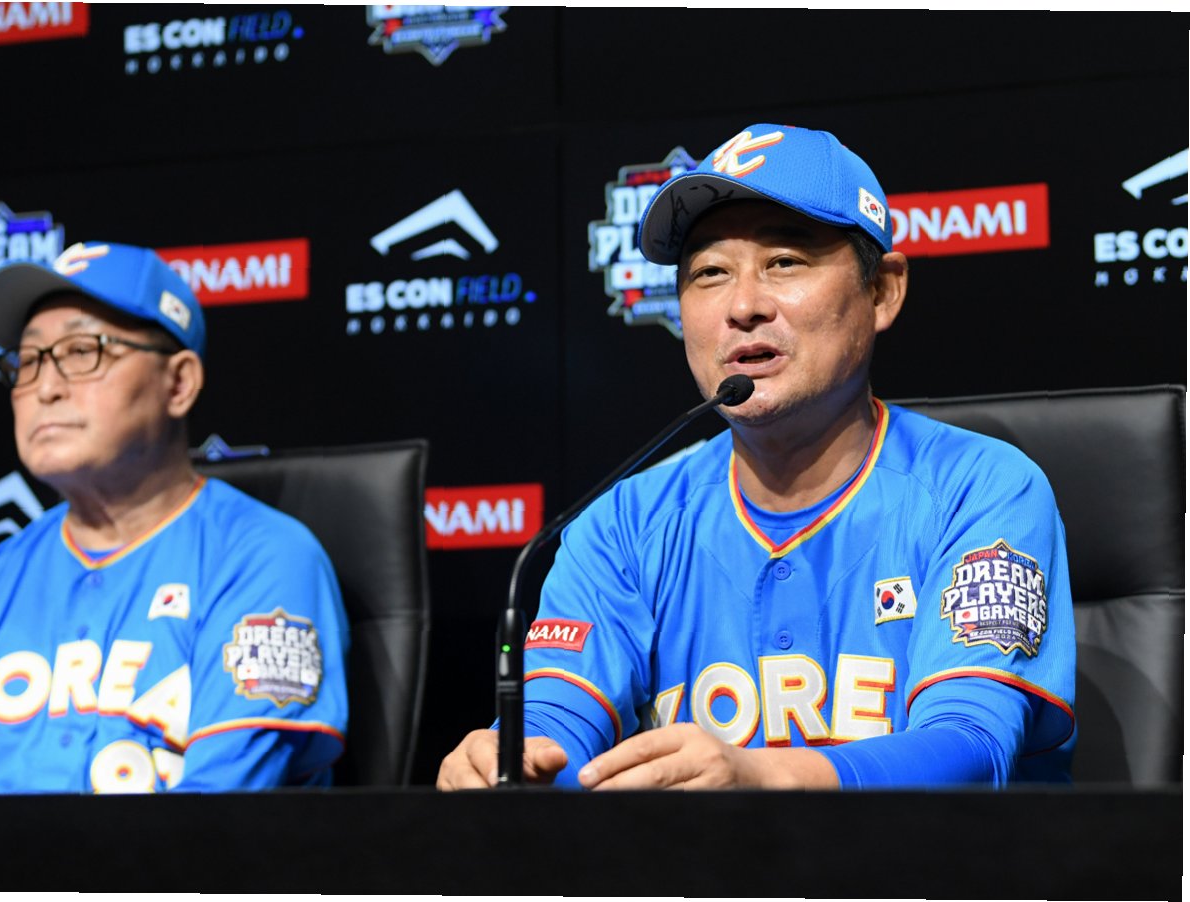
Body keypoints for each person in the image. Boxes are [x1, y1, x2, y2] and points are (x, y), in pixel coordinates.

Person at [438, 124, 1075, 790]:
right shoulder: (622, 523)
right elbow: (556, 721)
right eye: (709, 273)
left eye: (785, 262)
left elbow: (972, 744)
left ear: (882, 291)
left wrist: (761, 782)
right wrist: (511, 758)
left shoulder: (980, 488)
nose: (742, 306)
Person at [0, 241, 349, 793]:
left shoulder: (263, 559)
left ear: (178, 384)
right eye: (28, 361)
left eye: (82, 351)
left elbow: (222, 818)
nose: (46, 388)